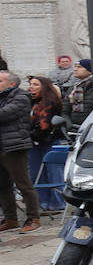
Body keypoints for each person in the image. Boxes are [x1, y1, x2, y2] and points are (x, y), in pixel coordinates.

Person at [0, 71, 41, 233]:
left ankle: (33, 218)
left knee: (23, 184)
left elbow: (4, 114)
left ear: (11, 83)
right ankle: (11, 219)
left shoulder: (21, 97)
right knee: (2, 186)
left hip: (14, 146)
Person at [27, 75, 65, 213]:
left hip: (48, 139)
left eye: (36, 84)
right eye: (31, 84)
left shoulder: (51, 101)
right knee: (36, 172)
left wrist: (33, 133)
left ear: (44, 86)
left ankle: (58, 202)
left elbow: (45, 124)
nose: (32, 87)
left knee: (54, 171)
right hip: (33, 140)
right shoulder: (31, 101)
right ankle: (42, 202)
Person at [63, 59, 93, 128]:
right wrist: (70, 126)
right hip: (75, 130)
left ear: (90, 70)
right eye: (75, 67)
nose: (75, 69)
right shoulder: (73, 88)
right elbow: (65, 111)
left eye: (79, 67)